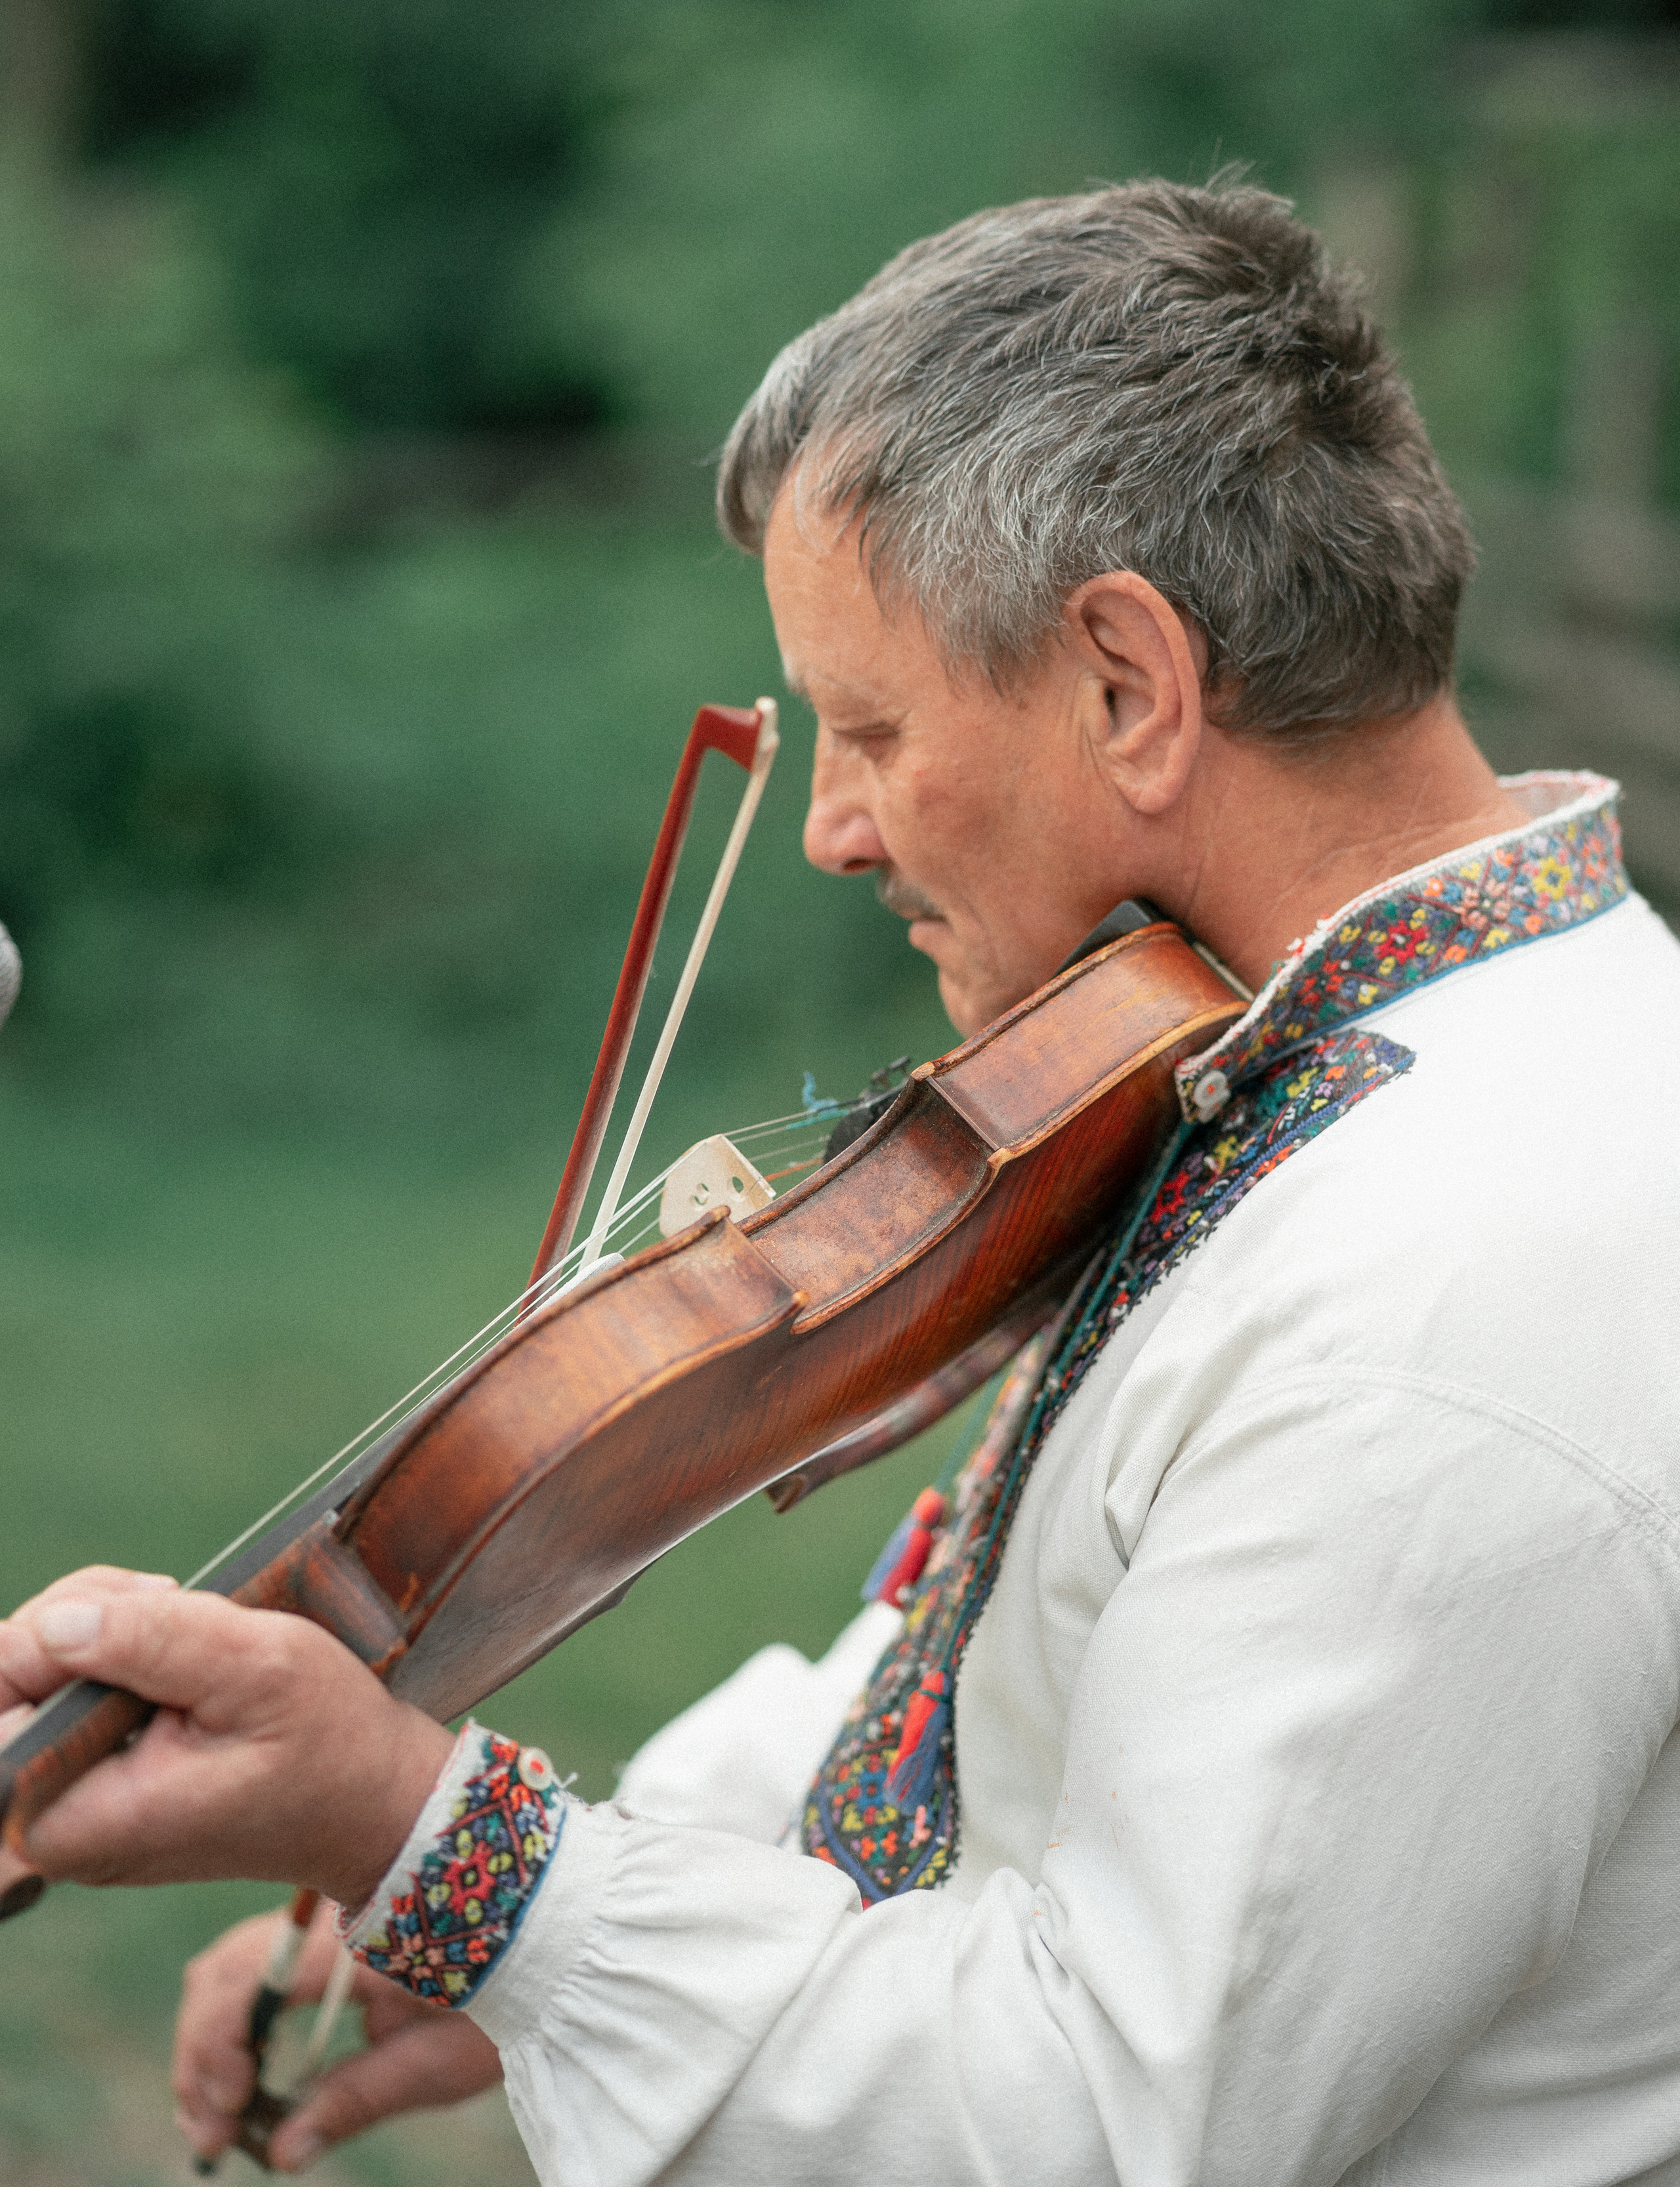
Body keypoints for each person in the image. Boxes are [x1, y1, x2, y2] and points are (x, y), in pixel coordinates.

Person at [3, 177, 1679, 2187]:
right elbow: (997, 1709)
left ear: (1132, 684)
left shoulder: (1457, 1276)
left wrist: (445, 1851)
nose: (828, 828)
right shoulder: (1302, 1067)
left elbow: (1097, 2123)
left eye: (870, 728)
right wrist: (551, 1918)